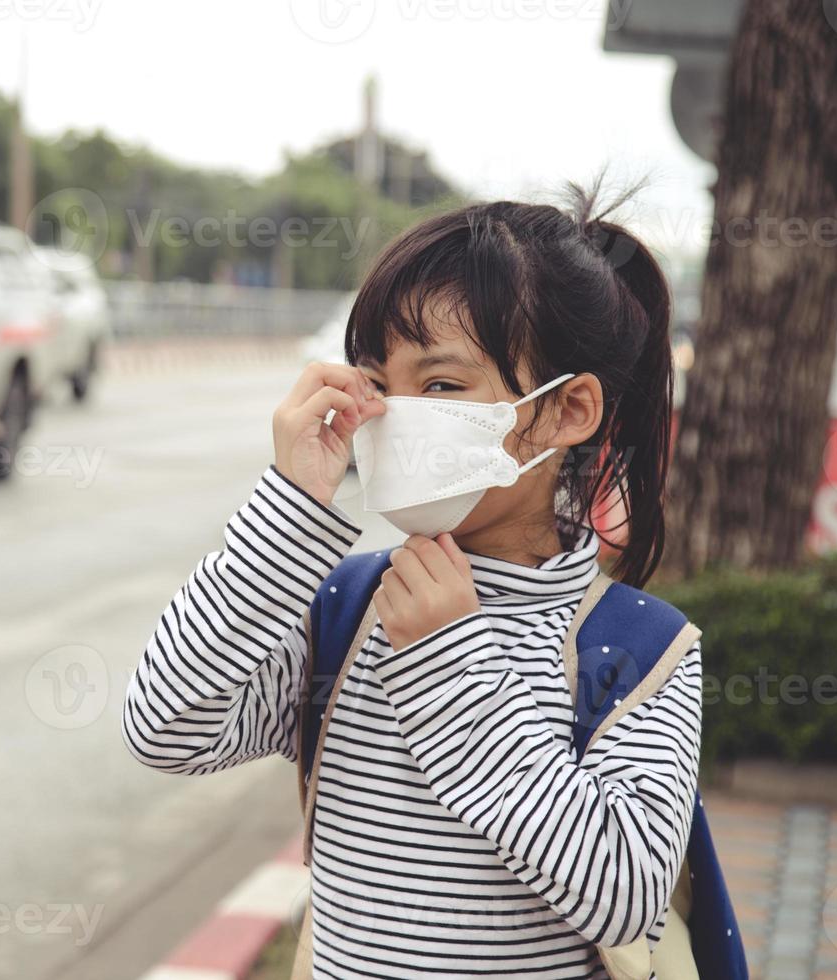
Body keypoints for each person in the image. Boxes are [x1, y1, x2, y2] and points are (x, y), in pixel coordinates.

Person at [122, 186, 700, 978]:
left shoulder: (641, 649)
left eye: (440, 387)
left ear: (568, 411)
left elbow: (624, 894)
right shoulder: (346, 607)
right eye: (376, 383)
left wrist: (450, 664)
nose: (397, 413)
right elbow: (166, 726)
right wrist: (291, 511)